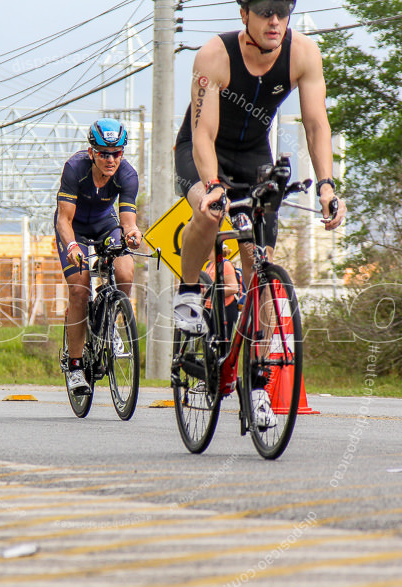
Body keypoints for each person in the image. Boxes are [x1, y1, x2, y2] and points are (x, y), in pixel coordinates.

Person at [172, 0, 346, 427]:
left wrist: (326, 184)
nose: (275, 21)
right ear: (244, 13)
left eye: (283, 11)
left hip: (253, 160)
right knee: (210, 215)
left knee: (260, 269)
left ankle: (257, 386)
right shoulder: (214, 54)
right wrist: (212, 187)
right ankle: (189, 293)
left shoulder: (303, 53)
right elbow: (204, 132)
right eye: (266, 10)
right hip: (200, 152)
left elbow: (316, 123)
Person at [54, 118, 143, 396]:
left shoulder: (127, 175)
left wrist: (132, 234)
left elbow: (127, 220)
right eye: (104, 153)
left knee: (126, 272)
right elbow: (63, 220)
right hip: (74, 229)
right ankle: (76, 366)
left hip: (105, 224)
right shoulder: (75, 168)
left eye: (116, 153)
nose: (110, 159)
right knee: (80, 290)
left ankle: (109, 322)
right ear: (92, 152)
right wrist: (71, 247)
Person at [203, 243, 240, 341]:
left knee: (222, 342)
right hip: (209, 308)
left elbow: (234, 288)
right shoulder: (209, 265)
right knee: (208, 341)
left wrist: (213, 292)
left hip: (225, 308)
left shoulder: (225, 264)